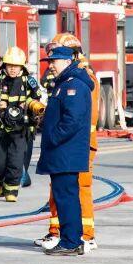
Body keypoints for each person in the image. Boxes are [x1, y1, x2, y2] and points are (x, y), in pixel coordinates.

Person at [34, 33, 98, 252]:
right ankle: (71, 240)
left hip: (66, 153)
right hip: (63, 153)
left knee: (67, 198)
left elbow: (72, 120)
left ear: (67, 61)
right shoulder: (65, 83)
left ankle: (71, 242)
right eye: (49, 61)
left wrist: (53, 137)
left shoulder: (74, 86)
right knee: (64, 198)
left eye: (54, 61)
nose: (50, 65)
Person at [0, 47, 41, 201]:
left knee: (16, 162)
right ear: (4, 65)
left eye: (16, 66)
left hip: (19, 130)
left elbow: (37, 99)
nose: (13, 69)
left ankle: (11, 191)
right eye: (10, 65)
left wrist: (30, 107)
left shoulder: (29, 83)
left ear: (22, 67)